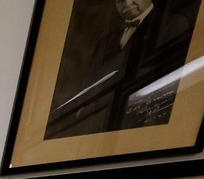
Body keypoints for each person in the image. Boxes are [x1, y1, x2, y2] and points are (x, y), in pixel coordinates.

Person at [48, 0, 194, 138]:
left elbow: (171, 81)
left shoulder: (172, 24)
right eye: (120, 0)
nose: (128, 3)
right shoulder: (106, 41)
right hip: (102, 121)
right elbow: (92, 84)